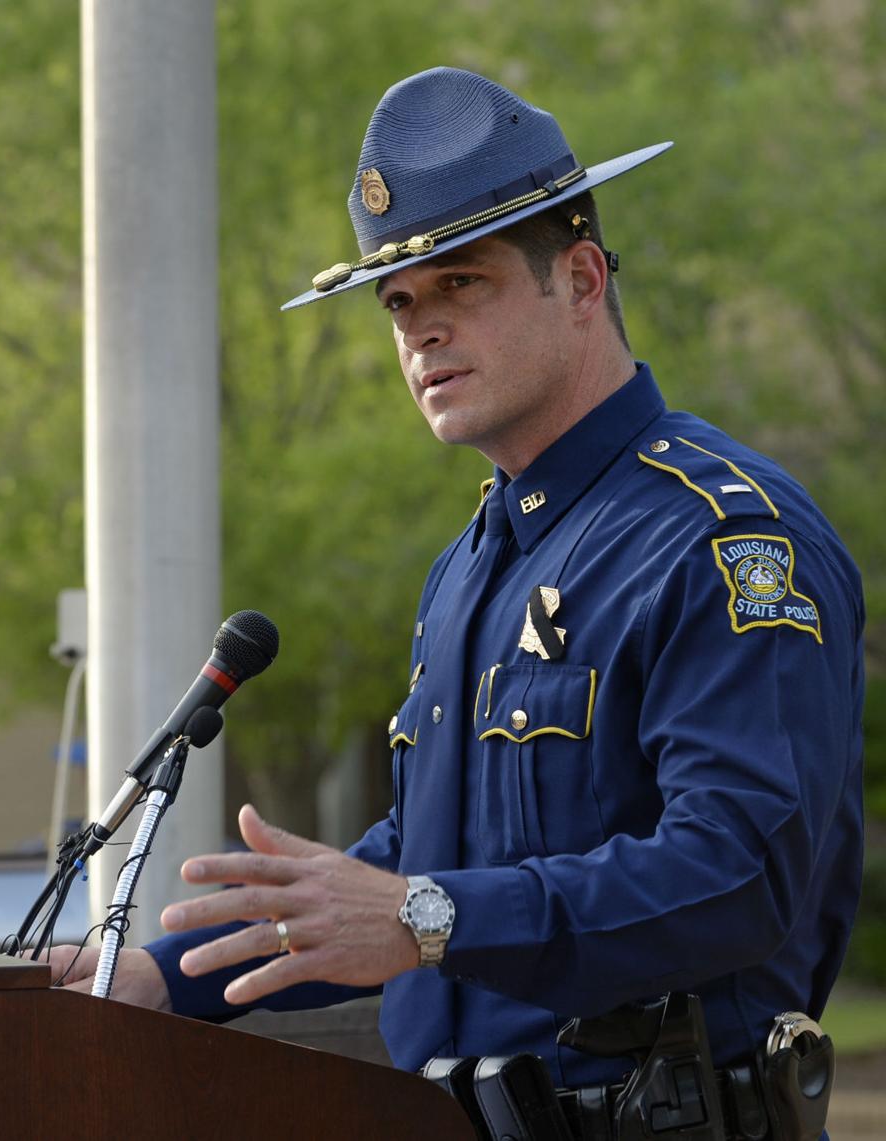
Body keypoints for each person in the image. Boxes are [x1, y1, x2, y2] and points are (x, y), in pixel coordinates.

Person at [45, 66, 863, 1116]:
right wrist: (170, 975)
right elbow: (436, 857)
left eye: (460, 285)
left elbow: (738, 874)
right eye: (399, 301)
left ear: (579, 281)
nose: (420, 330)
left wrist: (428, 915)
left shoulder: (721, 534)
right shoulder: (472, 560)